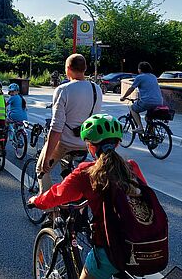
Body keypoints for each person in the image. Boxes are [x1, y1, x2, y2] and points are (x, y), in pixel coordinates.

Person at [29, 113, 147, 279]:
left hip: (111, 249)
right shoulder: (131, 167)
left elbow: (57, 195)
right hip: (143, 243)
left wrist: (37, 201)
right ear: (118, 143)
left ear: (90, 146)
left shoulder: (87, 172)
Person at [37, 54, 102, 194]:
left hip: (66, 143)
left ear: (68, 69)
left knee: (41, 169)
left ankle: (51, 211)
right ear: (85, 68)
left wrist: (47, 158)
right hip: (87, 144)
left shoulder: (63, 90)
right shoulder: (97, 89)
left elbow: (56, 128)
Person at [120, 61, 163, 133]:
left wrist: (123, 97)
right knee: (148, 117)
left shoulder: (139, 77)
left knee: (132, 108)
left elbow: (131, 89)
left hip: (147, 101)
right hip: (159, 101)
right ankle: (151, 133)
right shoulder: (153, 76)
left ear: (140, 69)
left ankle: (140, 127)